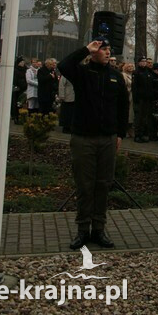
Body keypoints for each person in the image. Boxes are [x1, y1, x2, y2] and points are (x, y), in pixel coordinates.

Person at [58, 38, 129, 250]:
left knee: (103, 185)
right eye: (103, 49)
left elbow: (123, 107)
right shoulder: (82, 73)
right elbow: (64, 66)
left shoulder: (115, 77)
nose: (107, 53)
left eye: (109, 49)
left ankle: (99, 229)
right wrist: (86, 49)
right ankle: (82, 230)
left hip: (107, 139)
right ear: (94, 52)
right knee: (84, 186)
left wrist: (120, 134)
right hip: (83, 138)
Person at [132, 57, 154, 143]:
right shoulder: (137, 72)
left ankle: (142, 134)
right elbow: (135, 87)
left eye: (145, 61)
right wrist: (136, 98)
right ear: (139, 63)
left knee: (144, 118)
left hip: (147, 99)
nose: (144, 63)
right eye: (142, 61)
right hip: (140, 98)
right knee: (139, 118)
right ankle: (137, 135)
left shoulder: (148, 72)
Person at [11, 56, 27, 124]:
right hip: (17, 88)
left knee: (21, 103)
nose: (22, 63)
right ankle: (15, 116)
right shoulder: (15, 70)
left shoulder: (26, 69)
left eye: (23, 62)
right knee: (16, 103)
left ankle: (21, 117)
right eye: (21, 62)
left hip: (24, 88)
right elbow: (15, 79)